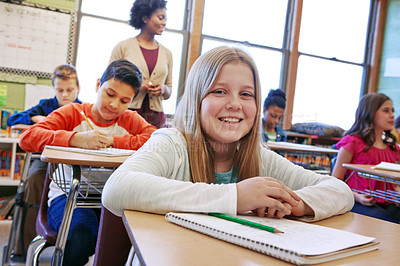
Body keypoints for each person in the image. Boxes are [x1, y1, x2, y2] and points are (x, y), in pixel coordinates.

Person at [102, 46, 353, 224]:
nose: (235, 104)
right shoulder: (171, 144)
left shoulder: (260, 158)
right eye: (219, 91)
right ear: (196, 100)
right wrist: (236, 196)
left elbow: (340, 190)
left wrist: (298, 204)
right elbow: (116, 189)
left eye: (246, 95)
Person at [19, 59, 157, 266]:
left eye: (124, 101)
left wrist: (113, 141)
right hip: (67, 197)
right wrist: (74, 139)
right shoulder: (73, 113)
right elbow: (28, 137)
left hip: (110, 198)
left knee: (134, 236)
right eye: (110, 94)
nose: (114, 105)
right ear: (97, 84)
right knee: (83, 234)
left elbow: (155, 140)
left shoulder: (129, 119)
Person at [7, 64, 81, 258]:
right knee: (34, 180)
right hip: (45, 159)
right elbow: (14, 119)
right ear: (54, 89)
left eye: (70, 90)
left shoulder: (82, 109)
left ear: (78, 88)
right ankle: (23, 248)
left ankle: (72, 243)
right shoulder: (47, 105)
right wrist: (38, 118)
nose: (65, 95)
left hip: (72, 162)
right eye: (60, 90)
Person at [332, 93, 400, 223]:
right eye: (386, 111)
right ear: (370, 113)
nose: (392, 115)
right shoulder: (352, 143)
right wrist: (357, 197)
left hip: (386, 203)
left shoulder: (393, 148)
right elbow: (335, 182)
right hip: (356, 201)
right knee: (387, 222)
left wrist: (396, 194)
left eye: (392, 111)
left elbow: (393, 184)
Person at [109, 0, 172, 128]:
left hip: (156, 118)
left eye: (165, 19)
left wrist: (163, 89)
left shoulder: (167, 53)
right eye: (161, 18)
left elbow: (169, 89)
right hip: (127, 113)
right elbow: (109, 80)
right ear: (145, 18)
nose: (164, 23)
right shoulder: (123, 47)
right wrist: (136, 85)